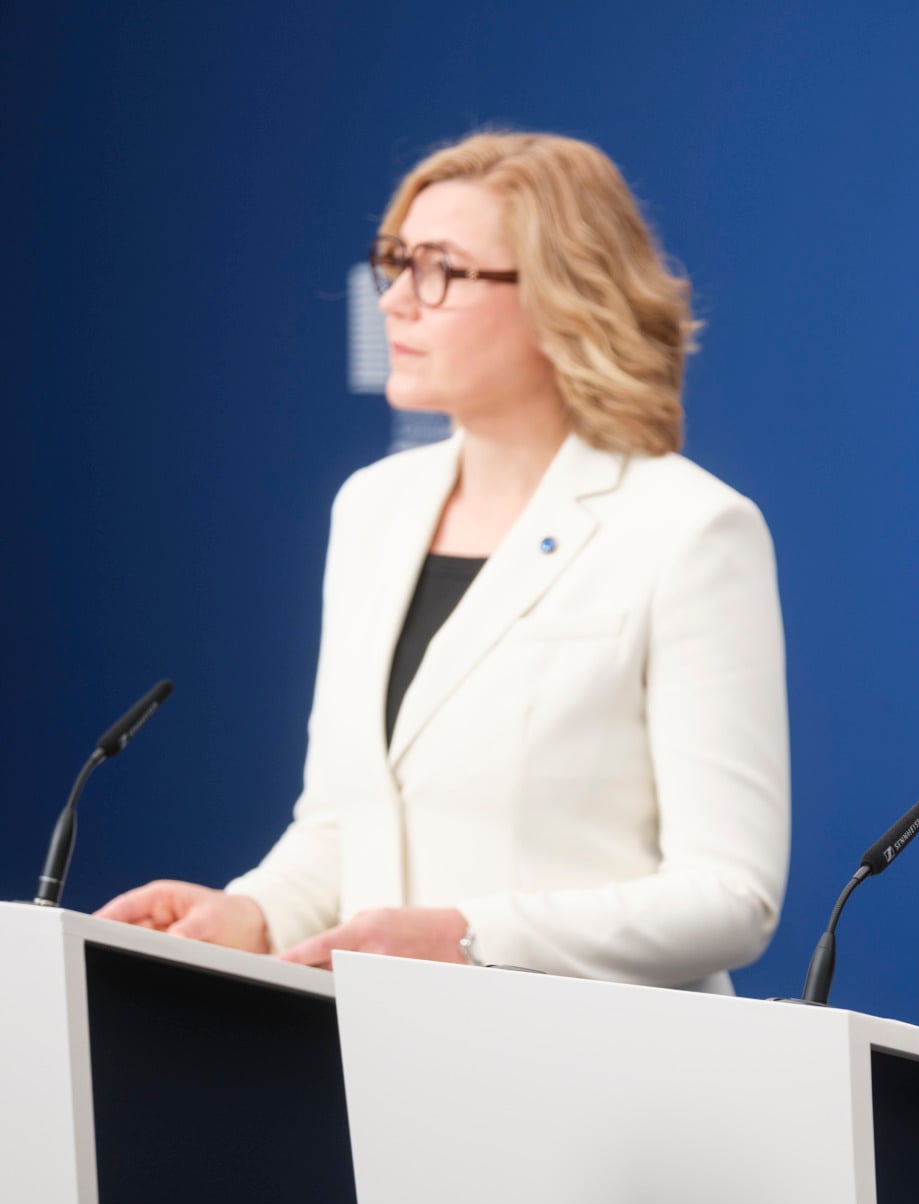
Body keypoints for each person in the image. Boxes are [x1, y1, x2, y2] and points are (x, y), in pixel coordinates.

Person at [99, 132, 789, 993]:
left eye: (441, 269)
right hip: (381, 1061)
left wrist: (470, 936)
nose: (393, 302)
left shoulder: (688, 528)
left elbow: (731, 896)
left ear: (560, 293)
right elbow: (346, 824)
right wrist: (255, 912)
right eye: (395, 262)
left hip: (600, 1074)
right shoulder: (372, 508)